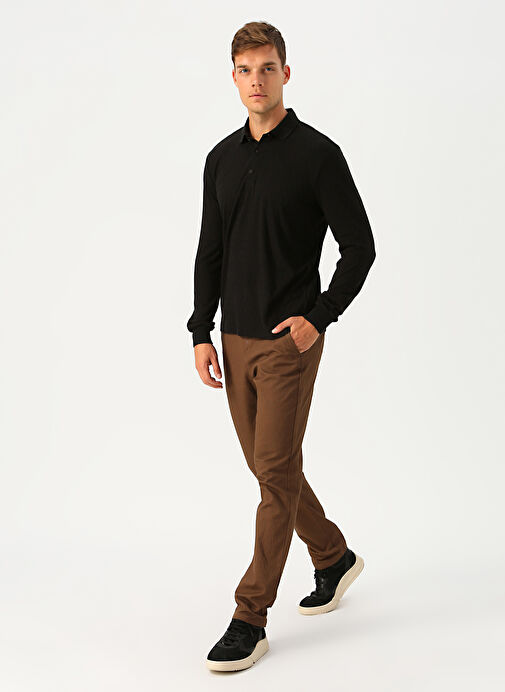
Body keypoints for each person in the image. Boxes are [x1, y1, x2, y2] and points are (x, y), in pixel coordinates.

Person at [187, 21, 376, 672]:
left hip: (286, 342)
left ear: (285, 74)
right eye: (245, 70)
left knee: (272, 472)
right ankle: (333, 557)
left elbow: (360, 248)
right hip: (232, 339)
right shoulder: (220, 158)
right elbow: (210, 251)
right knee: (273, 469)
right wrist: (200, 330)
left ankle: (250, 616)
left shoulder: (317, 155)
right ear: (233, 77)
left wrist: (317, 318)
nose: (256, 81)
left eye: (267, 68)